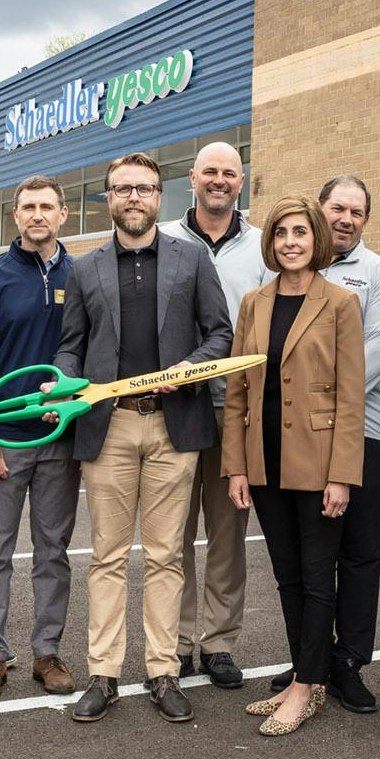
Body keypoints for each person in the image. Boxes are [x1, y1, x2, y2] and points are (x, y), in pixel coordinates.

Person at [50, 151, 233, 723]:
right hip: (109, 425)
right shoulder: (84, 268)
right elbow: (71, 345)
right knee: (105, 556)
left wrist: (190, 370)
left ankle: (162, 672)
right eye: (123, 188)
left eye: (145, 188)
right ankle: (103, 674)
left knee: (164, 557)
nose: (134, 197)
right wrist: (64, 383)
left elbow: (220, 333)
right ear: (108, 198)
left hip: (173, 426)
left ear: (161, 197)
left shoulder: (194, 257)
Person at [224, 194, 366, 737]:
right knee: (285, 575)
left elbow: (352, 397)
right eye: (281, 233)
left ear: (317, 240)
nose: (290, 242)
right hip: (265, 463)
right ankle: (302, 677)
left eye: (300, 233)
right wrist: (237, 467)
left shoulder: (339, 304)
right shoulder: (254, 303)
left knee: (315, 575)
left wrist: (341, 476)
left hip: (318, 463)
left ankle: (307, 685)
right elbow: (237, 392)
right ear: (271, 241)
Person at [0, 176, 81, 700]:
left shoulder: (84, 274)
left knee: (53, 551)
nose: (38, 215)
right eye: (28, 207)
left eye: (47, 207)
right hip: (2, 438)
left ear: (64, 215)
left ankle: (47, 653)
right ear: (16, 216)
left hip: (61, 438)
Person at [158, 141, 268, 688]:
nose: (219, 180)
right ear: (193, 180)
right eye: (209, 172)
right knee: (172, 535)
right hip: (176, 410)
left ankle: (219, 643)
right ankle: (175, 644)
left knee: (226, 535)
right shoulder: (165, 240)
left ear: (241, 180)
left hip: (236, 412)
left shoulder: (263, 250)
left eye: (229, 172)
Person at [308, 175, 380, 713]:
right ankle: (310, 663)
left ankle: (349, 664)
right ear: (320, 209)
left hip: (364, 431)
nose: (346, 219)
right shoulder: (292, 262)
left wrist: (313, 401)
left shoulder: (378, 274)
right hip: (299, 440)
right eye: (338, 208)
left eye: (357, 212)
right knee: (312, 555)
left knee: (360, 553)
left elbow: (376, 354)